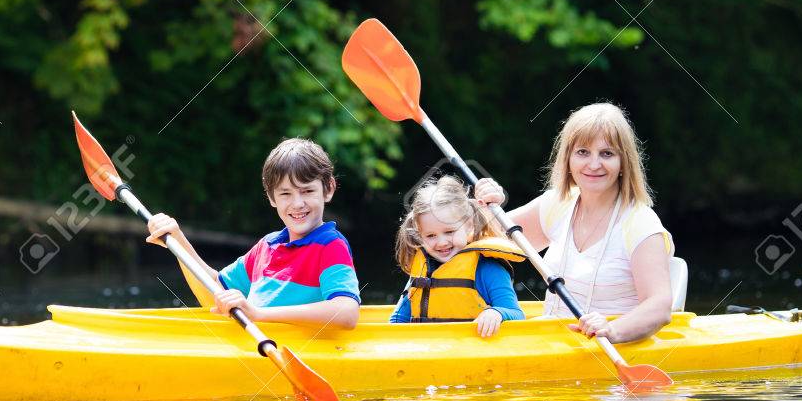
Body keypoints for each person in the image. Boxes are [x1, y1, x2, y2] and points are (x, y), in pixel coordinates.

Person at [474, 103, 673, 343]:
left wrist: (612, 330)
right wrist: (487, 207)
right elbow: (479, 239)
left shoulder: (640, 223)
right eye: (583, 152)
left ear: (624, 162)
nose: (594, 164)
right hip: (555, 343)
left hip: (608, 346)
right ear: (568, 158)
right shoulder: (559, 203)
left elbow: (660, 306)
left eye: (607, 154)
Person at [145, 137, 360, 329]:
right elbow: (215, 295)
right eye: (285, 194)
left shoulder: (331, 245)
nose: (297, 203)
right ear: (272, 198)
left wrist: (258, 314)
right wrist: (178, 243)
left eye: (307, 191)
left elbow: (347, 312)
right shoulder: (267, 247)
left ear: (328, 189)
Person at [390, 175, 525, 337]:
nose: (441, 242)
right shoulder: (422, 271)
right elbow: (398, 320)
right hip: (430, 348)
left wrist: (497, 313)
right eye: (431, 236)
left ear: (469, 225)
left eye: (449, 232)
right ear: (420, 235)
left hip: (475, 349)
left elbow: (516, 314)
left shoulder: (488, 268)